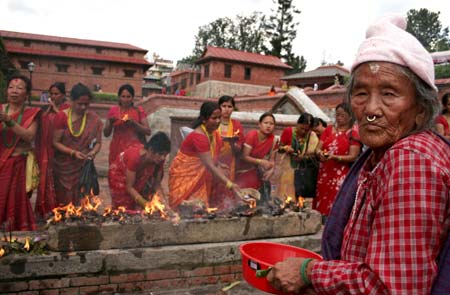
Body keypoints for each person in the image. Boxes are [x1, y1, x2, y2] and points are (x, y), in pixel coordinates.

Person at [267, 15, 450, 294]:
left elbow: (393, 286)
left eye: (389, 94)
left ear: (421, 110)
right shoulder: (385, 153)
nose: (371, 109)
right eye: (361, 93)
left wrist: (308, 272)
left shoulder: (411, 159)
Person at [169, 102, 241, 210]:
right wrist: (230, 185)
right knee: (189, 210)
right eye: (214, 118)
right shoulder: (199, 136)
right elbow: (209, 165)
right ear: (204, 119)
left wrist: (219, 164)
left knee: (200, 210)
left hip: (202, 176)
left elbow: (209, 157)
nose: (218, 121)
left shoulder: (214, 133)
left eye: (219, 117)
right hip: (187, 178)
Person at [0, 75, 40, 231]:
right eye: (11, 87)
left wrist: (9, 121)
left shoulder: (32, 113)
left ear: (27, 94)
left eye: (19, 88)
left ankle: (16, 234)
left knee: (15, 203)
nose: (14, 91)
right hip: (1, 163)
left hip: (18, 165)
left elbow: (29, 136)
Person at [52, 83, 103, 206]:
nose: (83, 107)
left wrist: (93, 152)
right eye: (80, 104)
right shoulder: (62, 116)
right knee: (63, 202)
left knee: (82, 199)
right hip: (63, 167)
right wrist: (73, 152)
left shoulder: (93, 118)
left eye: (86, 104)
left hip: (83, 166)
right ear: (71, 101)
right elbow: (55, 142)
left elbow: (98, 142)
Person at [313, 102, 362, 217]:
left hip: (341, 173)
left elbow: (353, 156)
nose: (339, 118)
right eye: (337, 115)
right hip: (325, 172)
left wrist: (335, 157)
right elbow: (317, 148)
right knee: (322, 197)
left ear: (350, 117)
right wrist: (319, 153)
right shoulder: (328, 130)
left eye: (343, 115)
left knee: (337, 199)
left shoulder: (353, 133)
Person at [109, 132, 171, 210]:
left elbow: (157, 185)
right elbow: (129, 187)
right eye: (161, 154)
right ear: (151, 150)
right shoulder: (135, 157)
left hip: (136, 176)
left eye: (165, 155)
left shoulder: (159, 160)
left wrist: (164, 205)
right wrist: (145, 204)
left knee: (142, 205)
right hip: (119, 176)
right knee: (124, 207)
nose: (162, 158)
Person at [35, 82, 70, 219]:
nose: (53, 96)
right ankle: (45, 209)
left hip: (61, 151)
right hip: (46, 150)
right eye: (51, 94)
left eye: (56, 94)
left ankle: (61, 209)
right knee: (45, 178)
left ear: (63, 95)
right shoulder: (45, 110)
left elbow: (69, 125)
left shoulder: (67, 109)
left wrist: (55, 109)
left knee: (59, 181)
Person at [210, 95, 245, 209]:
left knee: (227, 186)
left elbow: (239, 148)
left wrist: (234, 145)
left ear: (233, 109)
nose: (226, 109)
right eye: (224, 106)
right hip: (213, 160)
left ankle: (225, 209)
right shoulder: (214, 122)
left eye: (229, 106)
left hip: (230, 163)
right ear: (219, 107)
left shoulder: (236, 125)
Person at [103, 84, 151, 166]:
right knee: (115, 174)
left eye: (128, 97)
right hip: (116, 149)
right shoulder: (113, 110)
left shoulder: (139, 111)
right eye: (123, 96)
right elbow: (106, 134)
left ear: (132, 98)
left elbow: (148, 131)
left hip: (133, 149)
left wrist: (134, 123)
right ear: (119, 98)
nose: (126, 99)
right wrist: (110, 123)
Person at [235, 112, 277, 203]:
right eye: (266, 123)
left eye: (271, 124)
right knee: (246, 198)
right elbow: (244, 156)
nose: (268, 126)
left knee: (264, 193)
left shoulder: (273, 140)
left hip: (256, 171)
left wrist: (271, 170)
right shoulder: (252, 135)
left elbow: (272, 161)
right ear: (259, 124)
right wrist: (261, 162)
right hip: (242, 170)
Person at [278, 113, 319, 201]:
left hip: (303, 173)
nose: (304, 132)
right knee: (286, 198)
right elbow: (279, 149)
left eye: (307, 130)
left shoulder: (312, 136)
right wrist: (285, 148)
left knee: (299, 199)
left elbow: (314, 155)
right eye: (302, 128)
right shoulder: (288, 131)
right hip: (287, 170)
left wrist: (303, 158)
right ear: (297, 124)